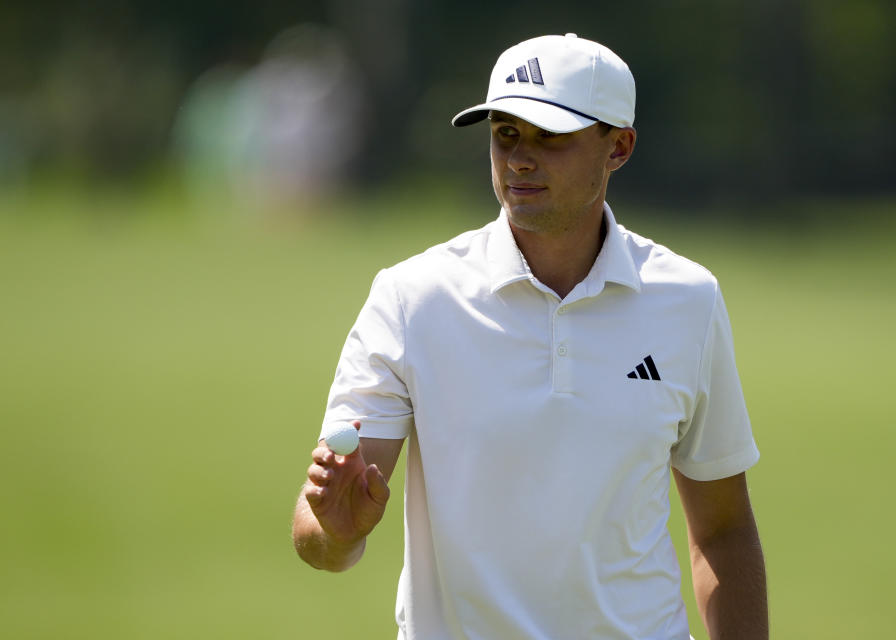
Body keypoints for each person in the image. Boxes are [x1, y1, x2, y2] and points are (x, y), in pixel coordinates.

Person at [293, 34, 768, 640]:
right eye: (506, 133)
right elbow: (322, 536)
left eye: (551, 137)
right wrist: (338, 530)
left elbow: (724, 531)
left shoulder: (688, 300)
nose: (519, 158)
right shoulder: (412, 298)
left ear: (618, 147)